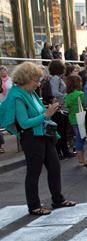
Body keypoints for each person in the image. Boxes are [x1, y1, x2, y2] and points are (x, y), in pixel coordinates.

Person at [0, 62, 77, 215]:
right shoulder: (17, 95)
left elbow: (39, 112)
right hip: (31, 137)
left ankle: (58, 199)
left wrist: (48, 111)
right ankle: (34, 205)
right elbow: (24, 123)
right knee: (34, 172)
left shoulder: (30, 92)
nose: (38, 83)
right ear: (26, 78)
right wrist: (46, 114)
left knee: (54, 167)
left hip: (43, 134)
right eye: (36, 80)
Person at [48, 60, 74, 159]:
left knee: (62, 131)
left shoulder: (56, 78)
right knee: (60, 131)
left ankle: (63, 151)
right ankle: (61, 152)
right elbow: (54, 92)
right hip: (59, 108)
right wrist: (65, 95)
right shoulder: (56, 78)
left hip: (60, 107)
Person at [64, 74, 87, 165]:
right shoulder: (80, 94)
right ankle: (81, 159)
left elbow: (67, 107)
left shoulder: (68, 95)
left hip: (73, 119)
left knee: (79, 138)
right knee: (81, 139)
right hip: (81, 118)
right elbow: (85, 105)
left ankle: (80, 158)